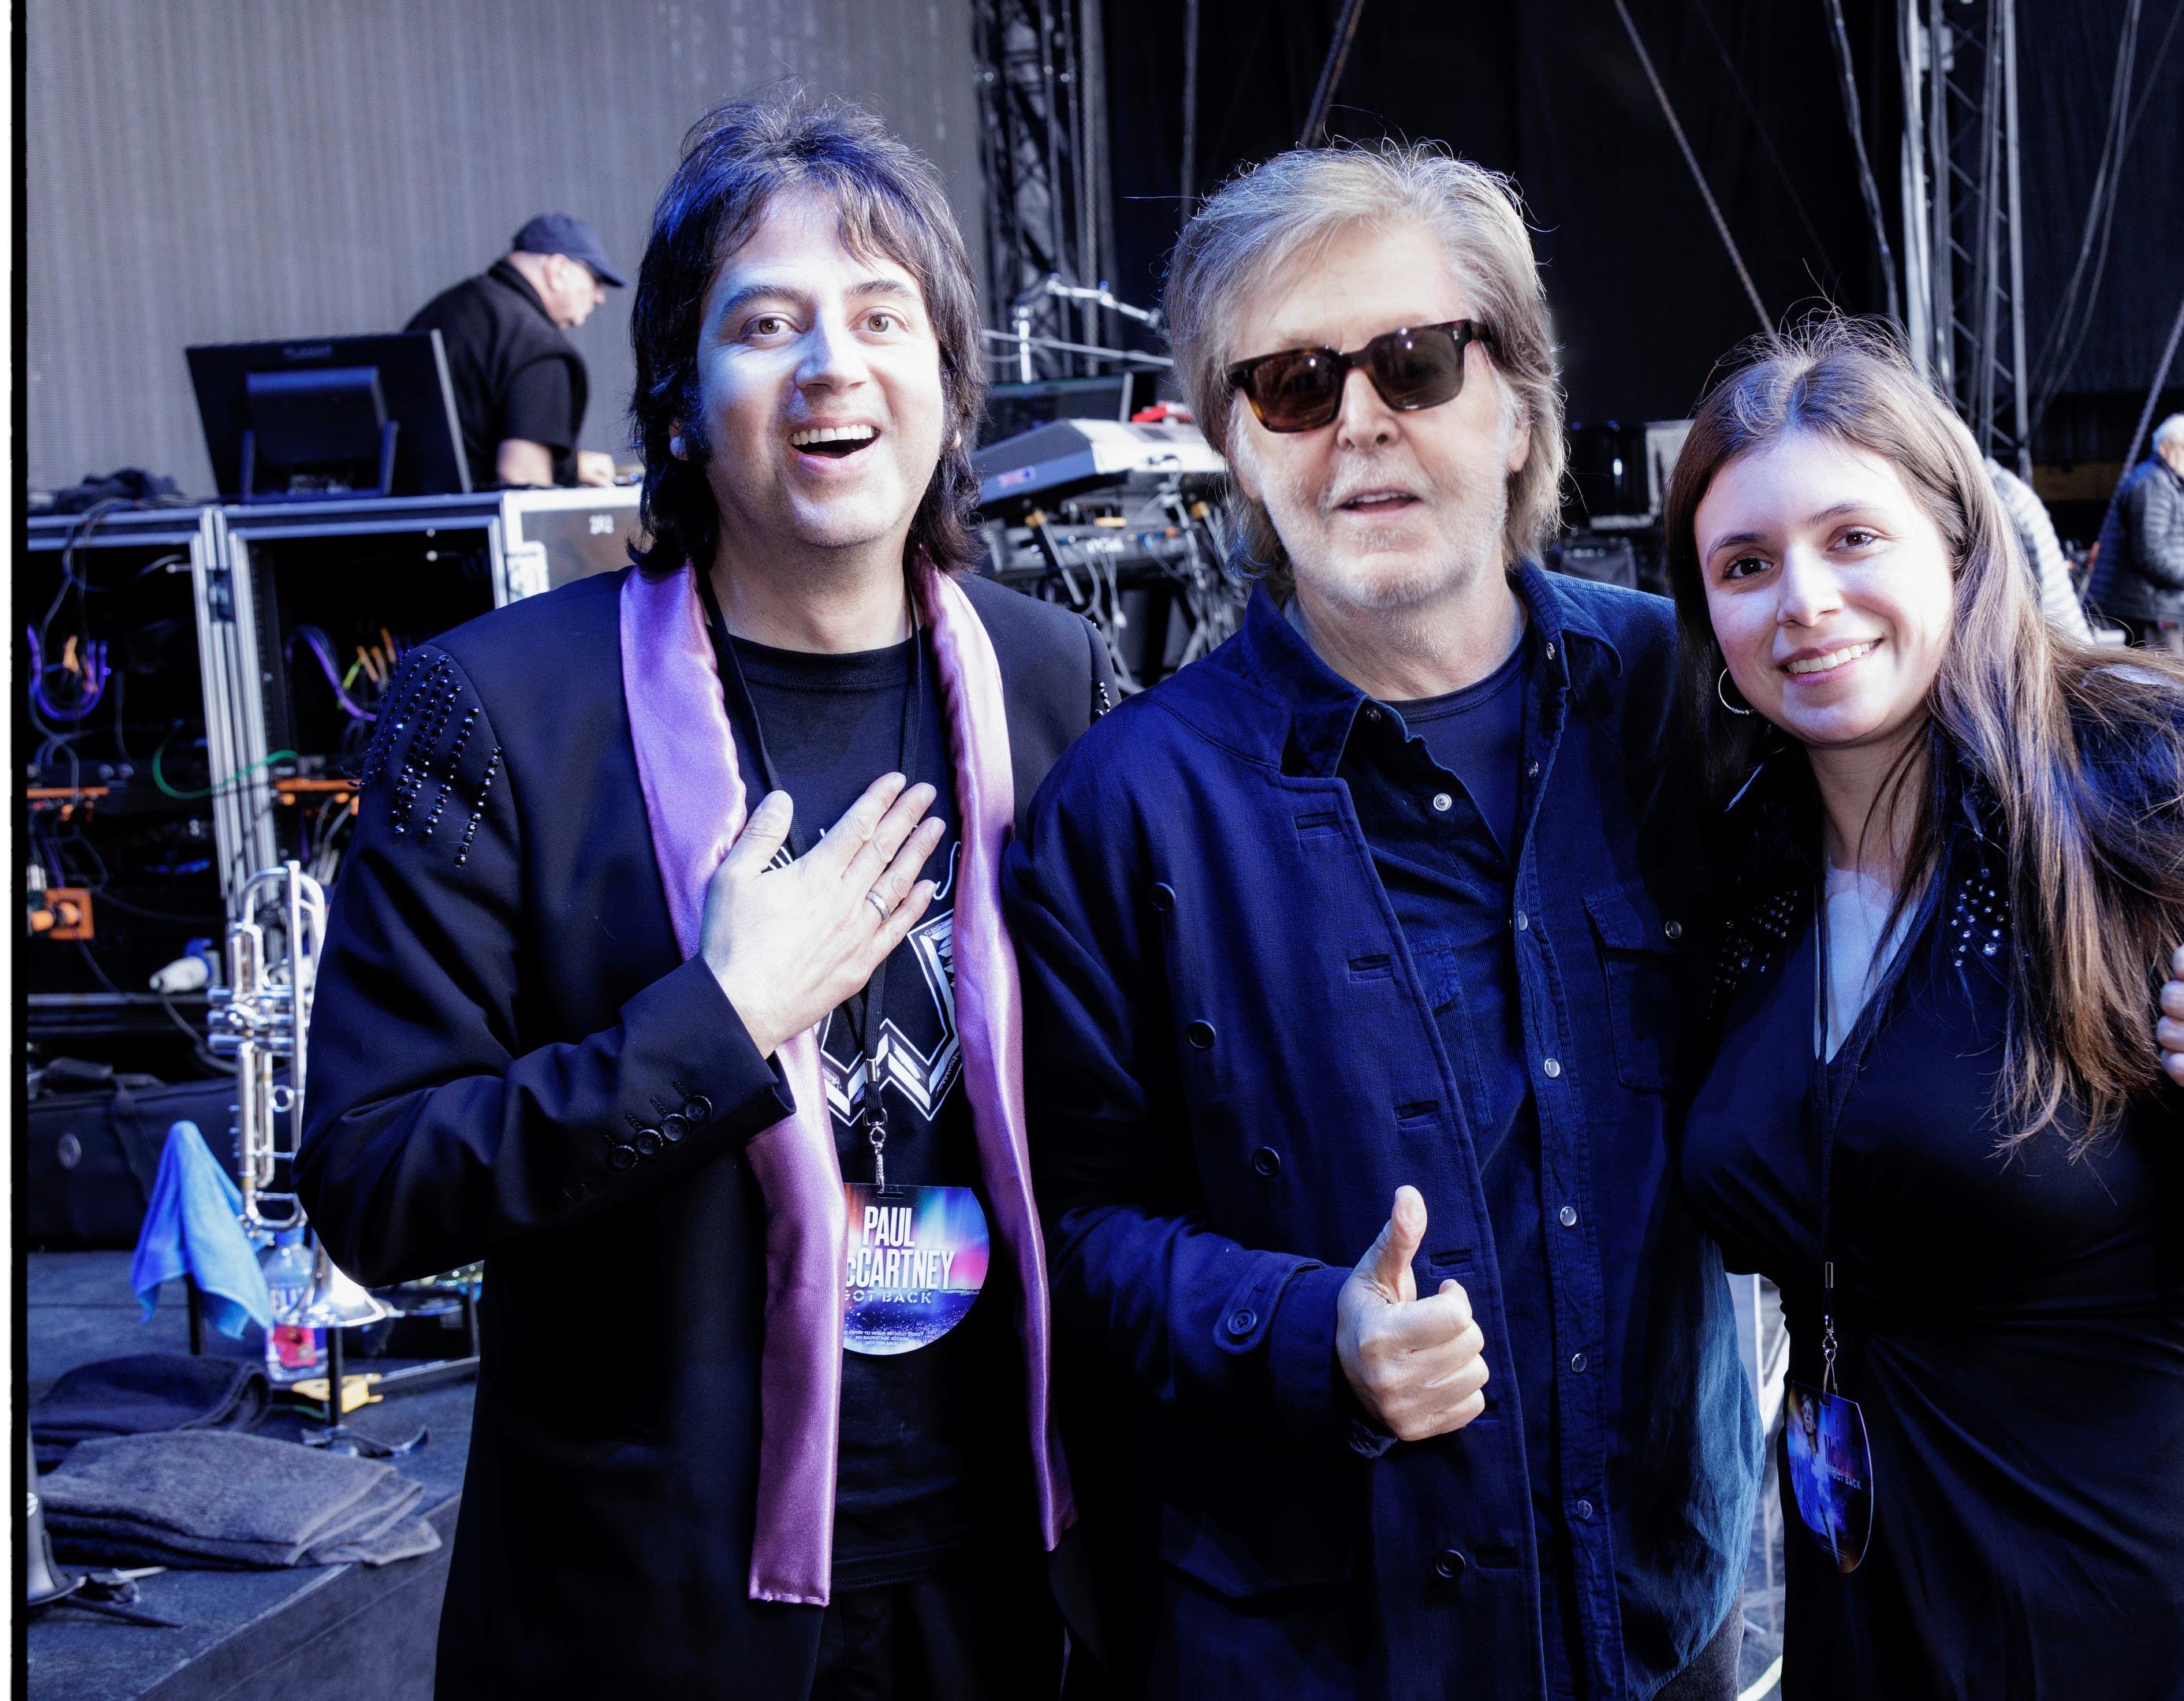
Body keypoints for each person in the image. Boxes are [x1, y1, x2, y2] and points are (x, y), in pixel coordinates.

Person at [299, 92, 1117, 1700]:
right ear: (678, 402)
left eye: (884, 318)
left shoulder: (1055, 677)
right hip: (655, 1619)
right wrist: (718, 1023)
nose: (833, 366)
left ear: (951, 389)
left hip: (1011, 1594)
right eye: (767, 324)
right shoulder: (499, 709)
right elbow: (377, 1182)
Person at [1003, 142, 1760, 1701]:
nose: (1360, 423)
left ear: (1520, 402)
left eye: (1414, 362)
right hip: (1323, 1653)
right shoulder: (1126, 809)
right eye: (1289, 385)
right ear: (1235, 446)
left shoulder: (1690, 704)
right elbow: (1072, 1235)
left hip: (1655, 1617)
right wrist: (1308, 1333)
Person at [1667, 319, 2184, 1699]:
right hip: (1878, 1624)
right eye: (1746, 564)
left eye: (1855, 538)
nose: (1805, 601)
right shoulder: (1739, 874)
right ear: (1708, 614)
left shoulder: (2148, 786)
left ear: (1960, 552)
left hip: (2160, 1630)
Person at [407, 213, 624, 489]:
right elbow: (523, 480)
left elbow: (467, 440)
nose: (599, 296)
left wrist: (569, 465)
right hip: (477, 531)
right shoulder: (538, 346)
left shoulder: (439, 312)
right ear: (557, 270)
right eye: (596, 280)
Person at [2084, 412, 2184, 653]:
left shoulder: (2160, 481)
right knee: (2165, 688)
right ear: (2165, 447)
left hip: (2151, 607)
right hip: (2148, 609)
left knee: (2166, 686)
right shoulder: (2154, 483)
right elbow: (2150, 552)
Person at [1982, 456, 2090, 640]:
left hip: (2053, 647)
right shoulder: (2003, 484)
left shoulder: (1996, 498)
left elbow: (2029, 589)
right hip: (2062, 639)